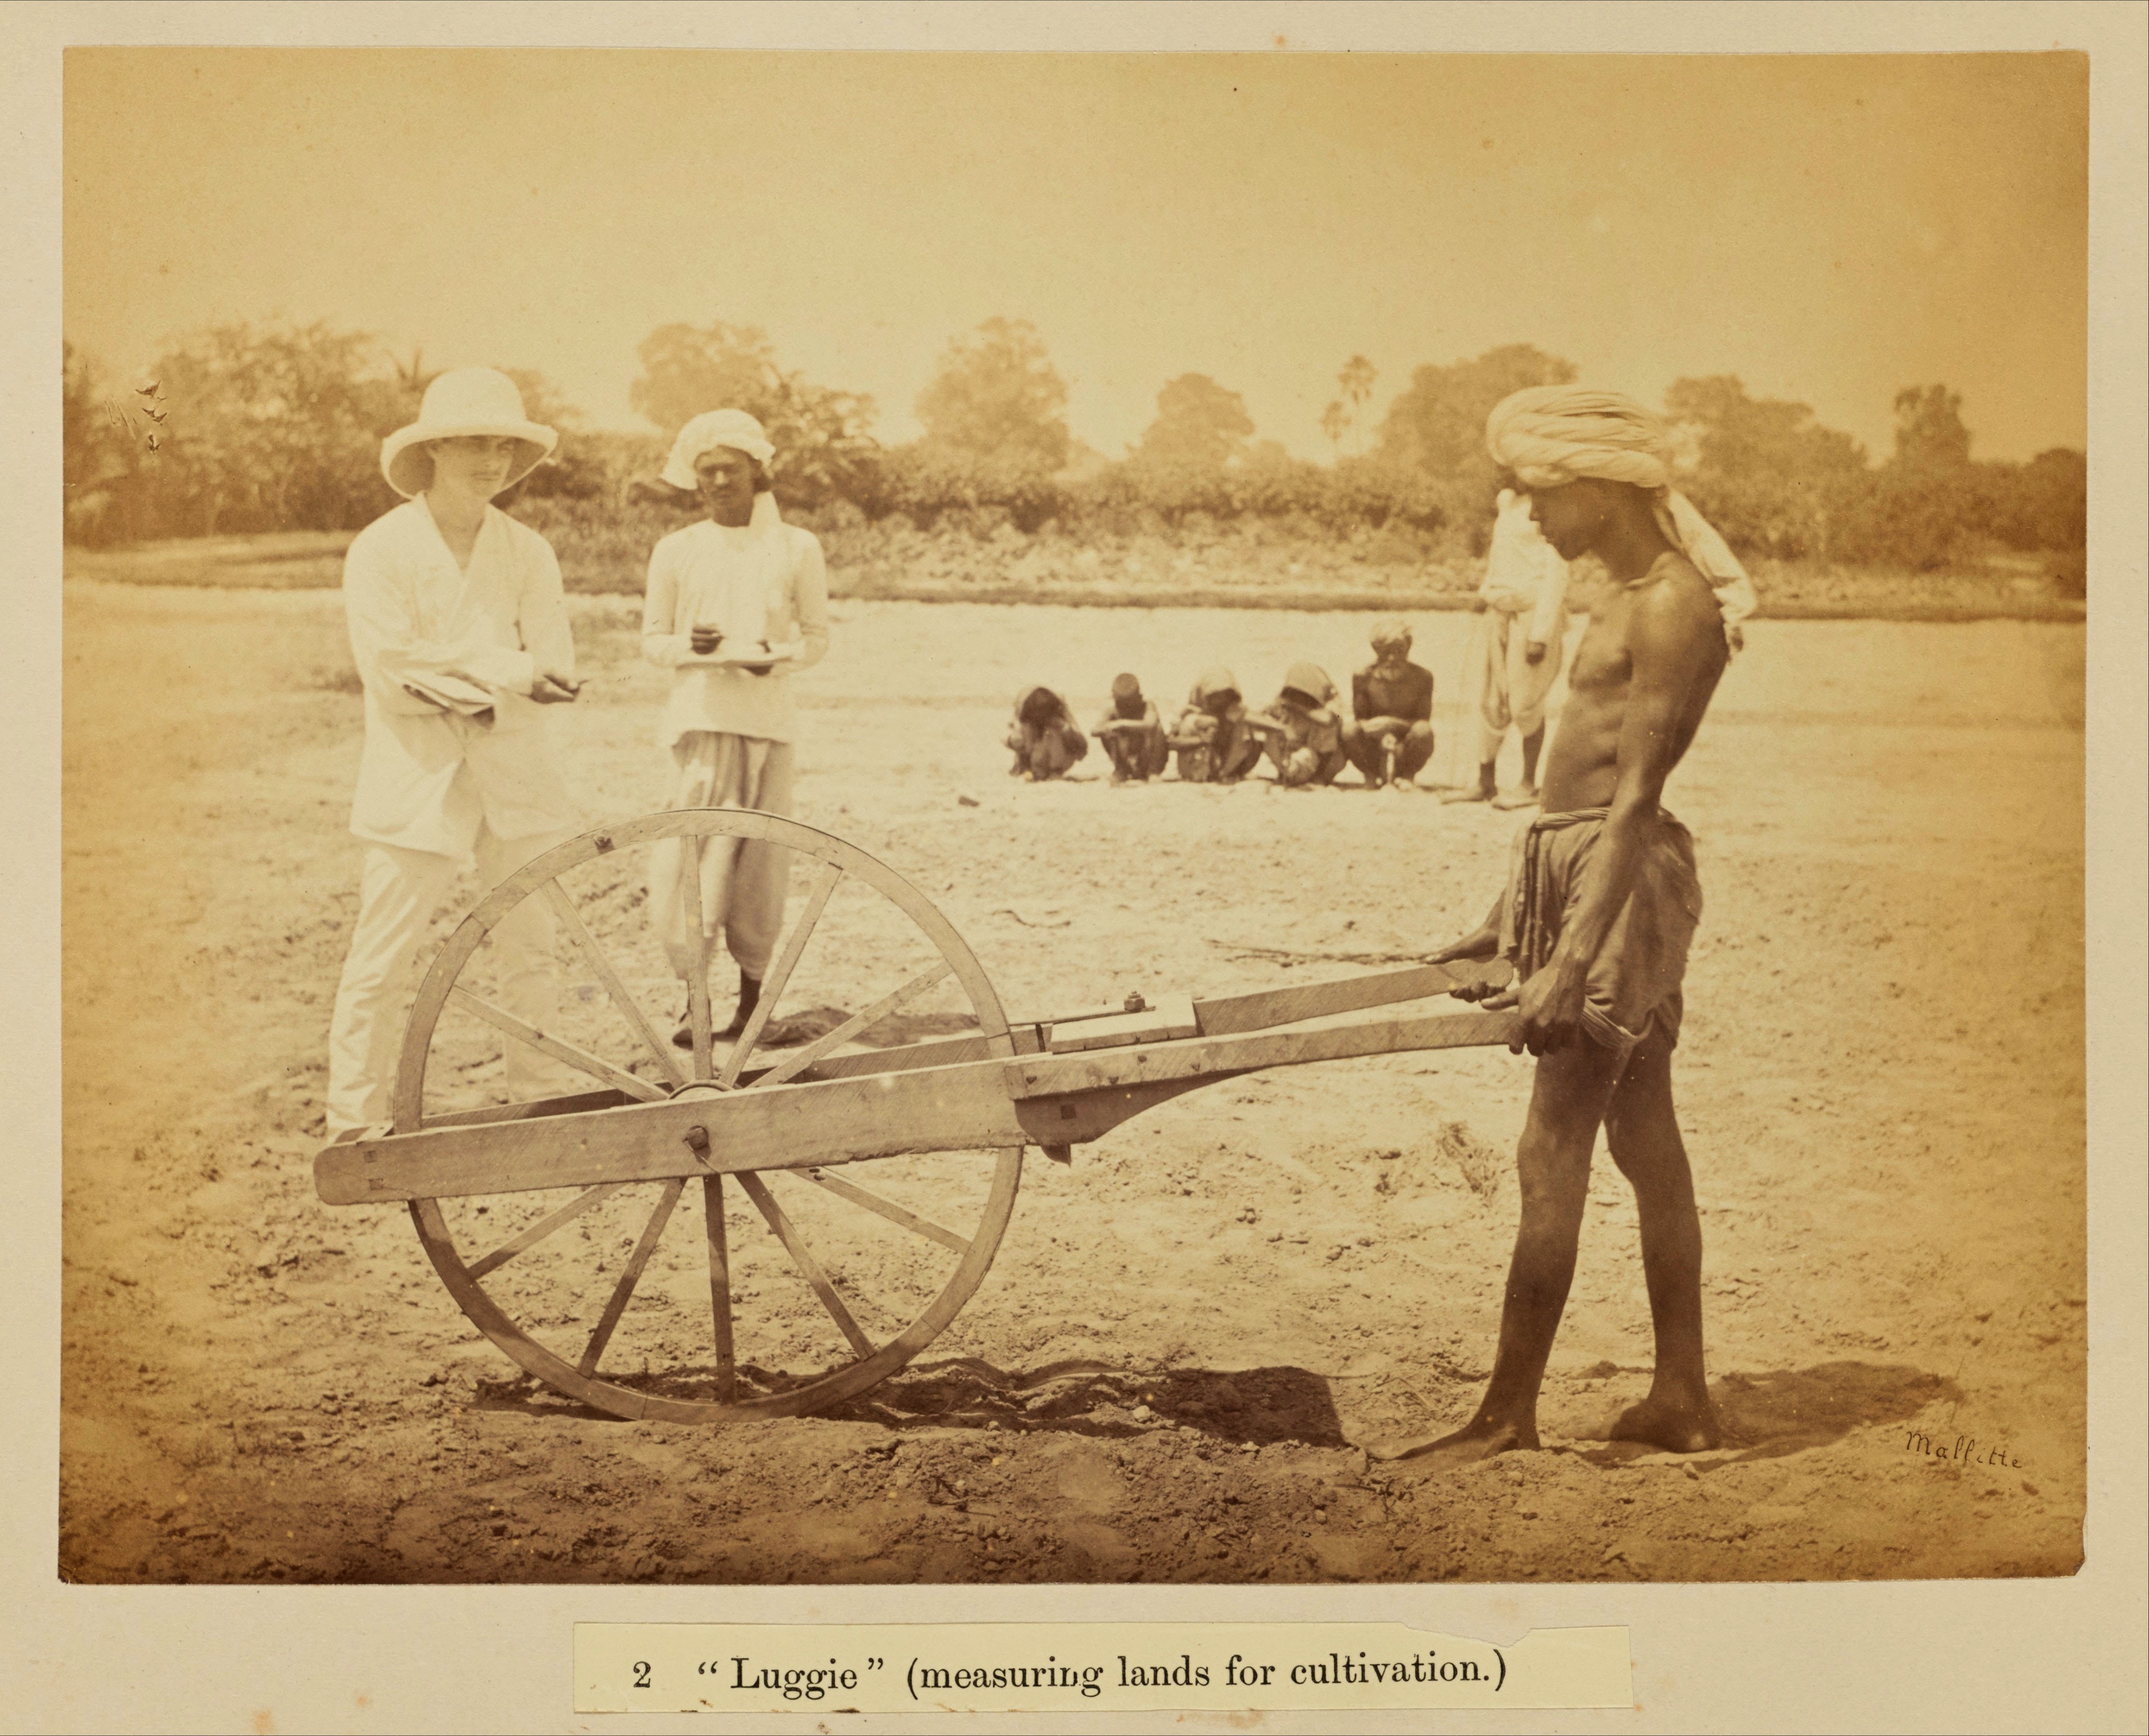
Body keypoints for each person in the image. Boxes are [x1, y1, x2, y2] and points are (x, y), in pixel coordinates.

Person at [1392, 385, 1757, 1466]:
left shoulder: (1668, 606)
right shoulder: (1617, 592)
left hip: (1617, 885)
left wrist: (1569, 960)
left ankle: (1506, 1414)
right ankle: (1680, 1400)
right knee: (1643, 1135)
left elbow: (1631, 802)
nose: (1529, 517)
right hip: (1583, 870)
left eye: (1541, 495)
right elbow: (1573, 784)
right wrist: (1506, 919)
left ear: (1600, 488)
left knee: (1550, 1148)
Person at [326, 367, 583, 1135]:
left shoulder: (528, 551)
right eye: (473, 441)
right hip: (419, 777)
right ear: (434, 448)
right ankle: (354, 1119)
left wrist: (478, 673)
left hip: (516, 772)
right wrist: (506, 670)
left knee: (531, 945)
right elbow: (393, 676)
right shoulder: (382, 549)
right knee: (385, 954)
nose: (491, 459)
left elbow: (557, 666)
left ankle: (535, 1099)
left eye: (503, 443)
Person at [640, 410, 831, 1047]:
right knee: (693, 861)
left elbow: (816, 638)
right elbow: (653, 641)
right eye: (707, 471)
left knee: (760, 865)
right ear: (694, 480)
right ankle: (693, 1002)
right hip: (701, 719)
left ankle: (752, 1003)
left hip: (769, 724)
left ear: (756, 471)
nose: (720, 480)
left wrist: (771, 656)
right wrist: (694, 648)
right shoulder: (677, 549)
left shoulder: (796, 547)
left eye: (731, 468)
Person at [1444, 488, 1571, 809]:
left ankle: (1527, 785)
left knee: (1525, 702)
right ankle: (1484, 782)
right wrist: (1487, 591)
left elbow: (1557, 571)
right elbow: (1501, 553)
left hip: (1532, 612)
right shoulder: (1506, 500)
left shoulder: (1553, 501)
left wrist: (1540, 634)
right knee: (1492, 699)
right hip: (1499, 609)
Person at [1341, 618, 1435, 788]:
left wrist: (1391, 726)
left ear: (1408, 649)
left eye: (1399, 651)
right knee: (1349, 731)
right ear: (1376, 651)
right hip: (1374, 744)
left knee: (1423, 732)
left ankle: (1408, 775)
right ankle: (1370, 775)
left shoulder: (1422, 678)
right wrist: (1378, 732)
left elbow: (1423, 721)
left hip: (1406, 744)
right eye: (1385, 652)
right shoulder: (1363, 677)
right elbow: (1360, 719)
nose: (1392, 658)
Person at [1245, 661, 1348, 787]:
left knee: (1327, 729)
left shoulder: (1331, 701)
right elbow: (1251, 716)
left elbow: (1328, 719)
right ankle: (1288, 774)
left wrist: (1298, 707)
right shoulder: (1285, 701)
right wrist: (1279, 727)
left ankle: (1319, 778)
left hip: (1327, 761)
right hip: (1295, 757)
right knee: (1267, 730)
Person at [1167, 667, 1262, 785]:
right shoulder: (1188, 715)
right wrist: (1200, 740)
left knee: (1249, 730)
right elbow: (1171, 743)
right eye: (1216, 695)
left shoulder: (1234, 712)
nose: (1221, 700)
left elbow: (1258, 722)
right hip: (1196, 767)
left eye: (1226, 695)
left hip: (1224, 766)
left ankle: (1227, 772)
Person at [1092, 673, 1170, 783]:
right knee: (1108, 732)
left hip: (1147, 758)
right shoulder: (1113, 711)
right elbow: (1095, 730)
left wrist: (1123, 724)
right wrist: (1110, 728)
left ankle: (1153, 772)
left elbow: (1151, 724)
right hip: (1126, 758)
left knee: (1158, 729)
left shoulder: (1148, 706)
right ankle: (1121, 770)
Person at [1005, 685, 1090, 780]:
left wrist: (1067, 731)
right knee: (1022, 738)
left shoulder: (1059, 723)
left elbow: (1082, 748)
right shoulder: (1026, 724)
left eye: (1042, 711)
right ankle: (1028, 769)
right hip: (1032, 764)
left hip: (1056, 763)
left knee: (1052, 734)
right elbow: (1009, 739)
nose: (1039, 716)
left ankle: (1054, 771)